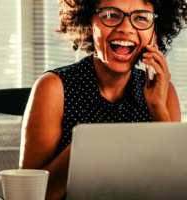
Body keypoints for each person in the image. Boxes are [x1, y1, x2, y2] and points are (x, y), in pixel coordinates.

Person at [19, 0, 187, 199]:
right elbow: (26, 194)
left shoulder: (164, 93)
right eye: (111, 15)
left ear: (154, 32)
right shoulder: (54, 88)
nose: (126, 28)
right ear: (90, 25)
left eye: (141, 18)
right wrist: (88, 147)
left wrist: (157, 107)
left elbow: (170, 188)